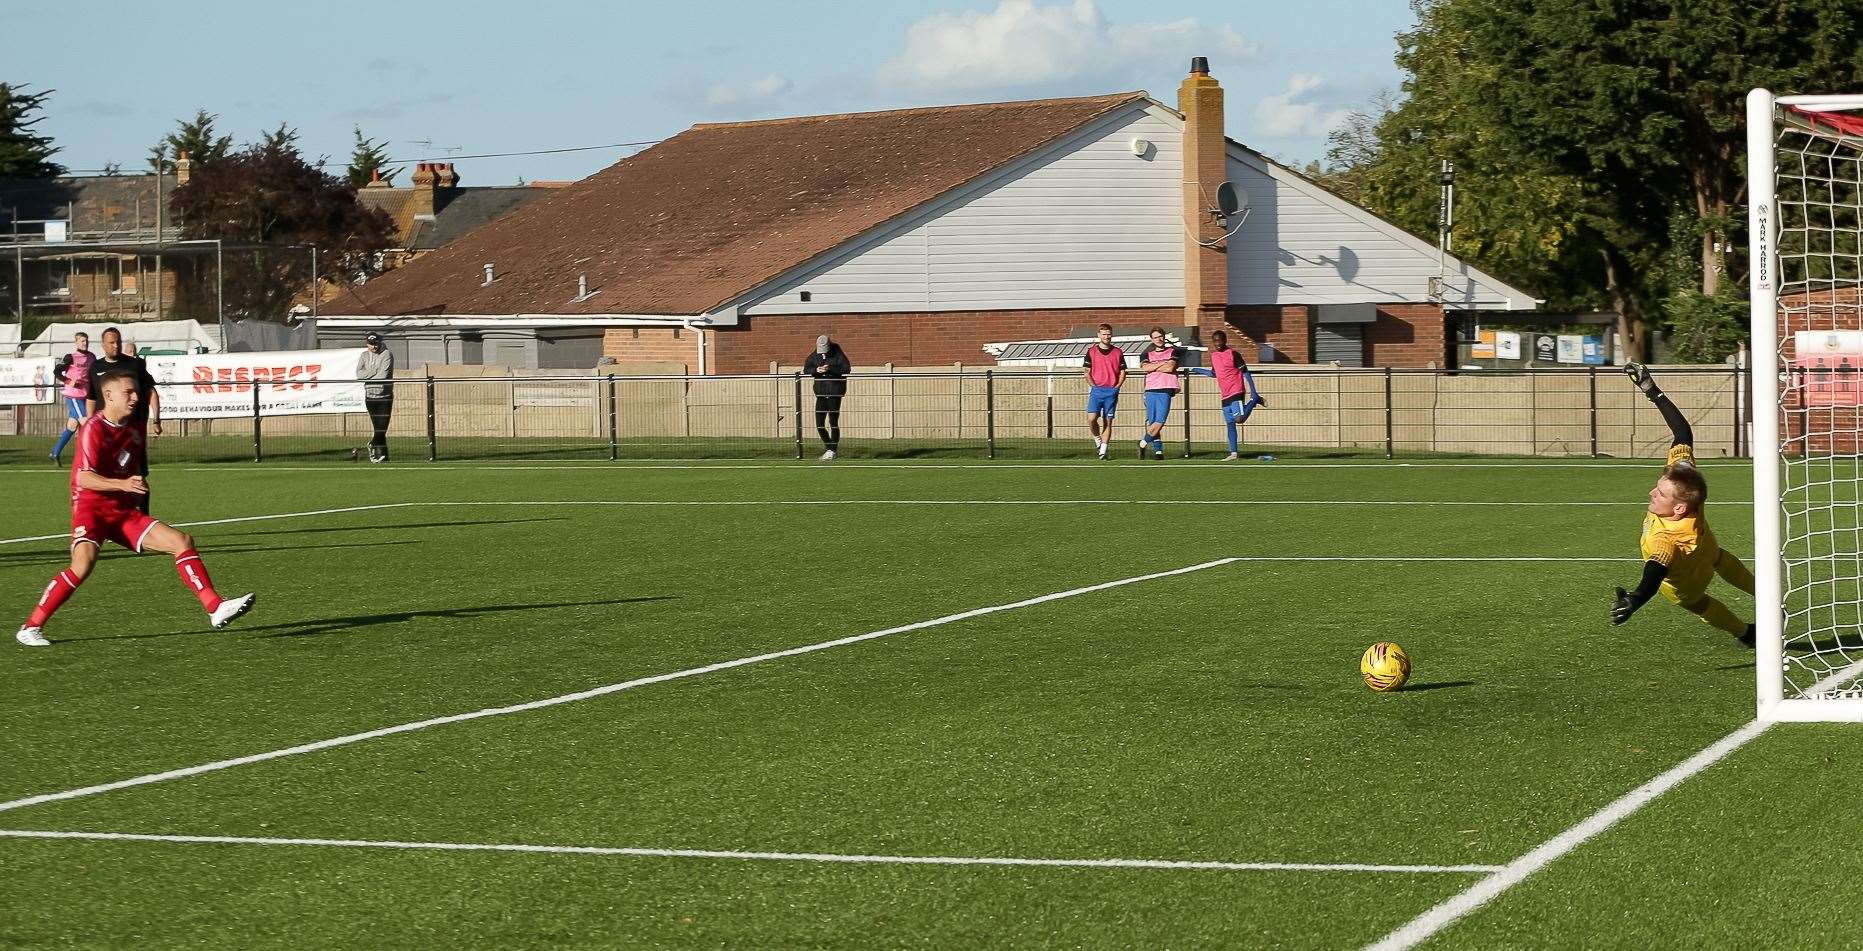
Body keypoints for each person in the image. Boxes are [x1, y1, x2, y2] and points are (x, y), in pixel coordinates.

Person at [16, 373, 254, 647]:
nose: (135, 397)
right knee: (82, 565)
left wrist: (137, 493)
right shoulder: (94, 428)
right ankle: (31, 627)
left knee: (181, 542)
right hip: (91, 508)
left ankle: (215, 607)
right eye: (128, 392)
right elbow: (83, 477)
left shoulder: (134, 428)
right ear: (109, 396)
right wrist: (122, 483)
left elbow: (133, 470)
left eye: (136, 392)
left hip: (122, 511)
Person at [1611, 363, 1756, 646]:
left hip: (1685, 585)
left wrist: (1637, 597)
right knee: (1720, 559)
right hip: (1709, 552)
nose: (1653, 492)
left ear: (1679, 509)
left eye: (1661, 494)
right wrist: (1652, 391)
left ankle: (1746, 633)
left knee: (1699, 604)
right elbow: (1683, 433)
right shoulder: (1686, 483)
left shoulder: (1666, 537)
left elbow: (1655, 569)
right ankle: (1770, 598)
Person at [86, 328, 160, 514]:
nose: (116, 345)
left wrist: (156, 419)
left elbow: (151, 392)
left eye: (118, 341)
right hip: (105, 432)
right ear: (103, 345)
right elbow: (91, 397)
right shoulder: (96, 368)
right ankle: (106, 516)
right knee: (100, 475)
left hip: (130, 433)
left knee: (137, 475)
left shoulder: (134, 365)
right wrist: (88, 425)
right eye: (111, 342)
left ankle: (143, 516)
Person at [1187, 329, 1266, 460]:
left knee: (1239, 419)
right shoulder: (1214, 356)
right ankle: (1233, 453)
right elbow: (1213, 374)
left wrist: (1253, 391)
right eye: (1215, 341)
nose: (1217, 343)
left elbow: (1246, 373)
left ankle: (1254, 400)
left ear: (1225, 340)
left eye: (1219, 340)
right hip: (1225, 395)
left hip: (1236, 391)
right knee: (1230, 424)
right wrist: (1196, 369)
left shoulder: (1234, 354)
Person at [1136, 327, 1183, 460]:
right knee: (1152, 422)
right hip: (1151, 389)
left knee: (1160, 421)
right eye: (1156, 337)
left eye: (1161, 336)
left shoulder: (1173, 351)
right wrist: (1162, 364)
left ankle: (1142, 443)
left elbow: (1170, 367)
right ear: (1152, 339)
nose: (1159, 339)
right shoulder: (1146, 354)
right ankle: (1158, 451)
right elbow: (1145, 367)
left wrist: (1154, 367)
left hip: (1166, 388)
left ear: (1164, 337)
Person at [1081, 324, 1127, 460]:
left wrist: (1117, 386)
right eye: (1103, 334)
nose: (1106, 336)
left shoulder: (1118, 352)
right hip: (1096, 391)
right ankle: (1097, 440)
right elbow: (1086, 372)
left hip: (1111, 392)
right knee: (1091, 419)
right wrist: (1093, 386)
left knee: (1108, 421)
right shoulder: (1091, 351)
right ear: (1098, 335)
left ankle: (1103, 450)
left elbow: (1123, 371)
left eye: (1108, 334)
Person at [49, 332, 95, 465]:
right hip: (74, 396)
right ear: (76, 343)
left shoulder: (91, 357)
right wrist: (69, 381)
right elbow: (57, 371)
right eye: (82, 341)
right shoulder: (71, 357)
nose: (85, 343)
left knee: (72, 426)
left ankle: (55, 452)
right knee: (87, 423)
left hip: (85, 396)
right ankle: (86, 457)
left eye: (86, 340)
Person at [804, 334, 850, 460]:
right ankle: (830, 447)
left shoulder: (837, 353)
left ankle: (832, 450)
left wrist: (830, 369)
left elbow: (846, 368)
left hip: (834, 392)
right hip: (821, 393)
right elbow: (806, 368)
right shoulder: (815, 355)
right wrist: (816, 370)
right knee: (819, 424)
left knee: (833, 422)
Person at [358, 331, 396, 463]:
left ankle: (372, 445)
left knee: (382, 428)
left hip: (384, 396)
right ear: (367, 343)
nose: (373, 347)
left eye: (375, 344)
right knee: (378, 428)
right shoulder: (363, 355)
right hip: (369, 396)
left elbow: (383, 376)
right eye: (371, 344)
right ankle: (382, 456)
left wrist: (369, 375)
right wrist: (373, 371)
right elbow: (359, 374)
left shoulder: (387, 354)